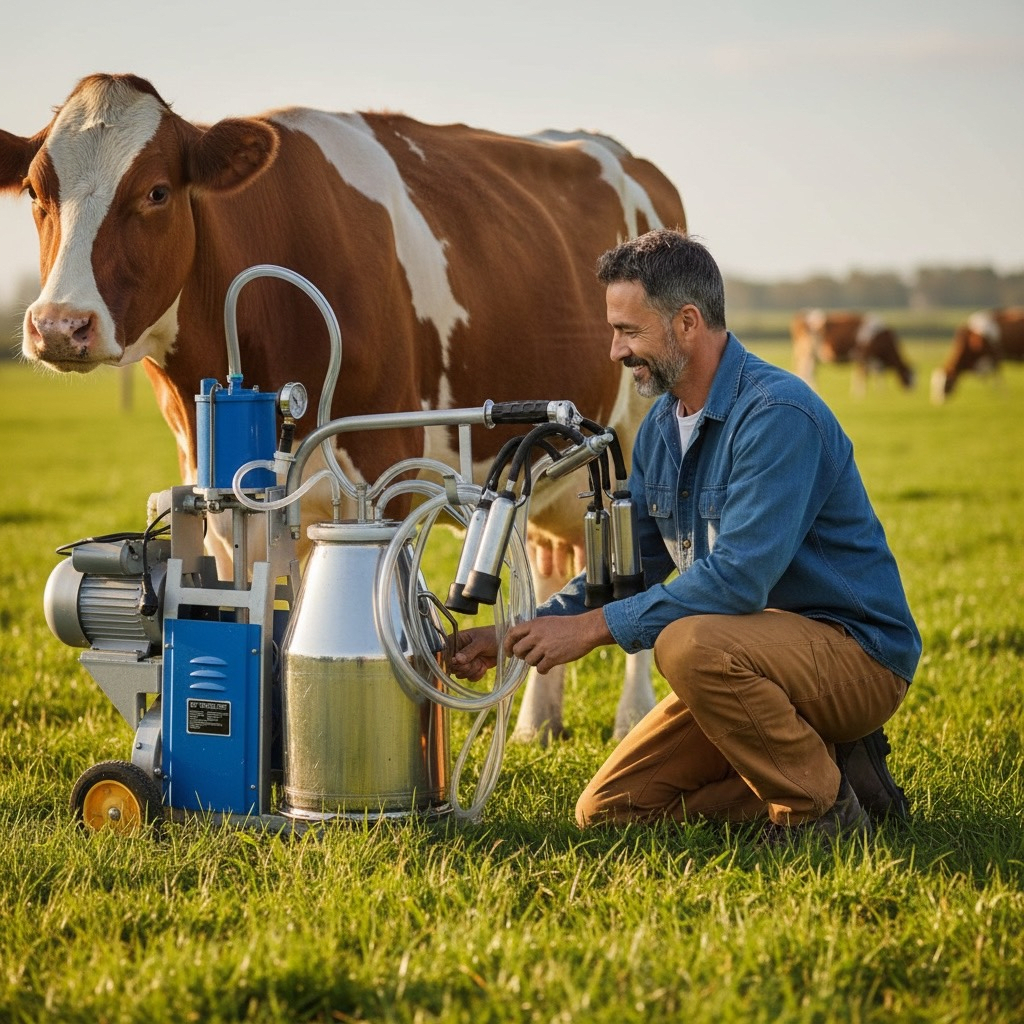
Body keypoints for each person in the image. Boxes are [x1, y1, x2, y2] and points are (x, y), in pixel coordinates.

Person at [450, 229, 921, 841]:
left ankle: (821, 814)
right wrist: (514, 636)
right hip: (746, 665)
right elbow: (626, 572)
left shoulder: (778, 415)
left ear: (688, 323)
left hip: (855, 656)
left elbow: (736, 582)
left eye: (629, 331)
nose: (614, 351)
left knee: (686, 644)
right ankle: (833, 771)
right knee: (609, 809)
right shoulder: (658, 433)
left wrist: (591, 631)